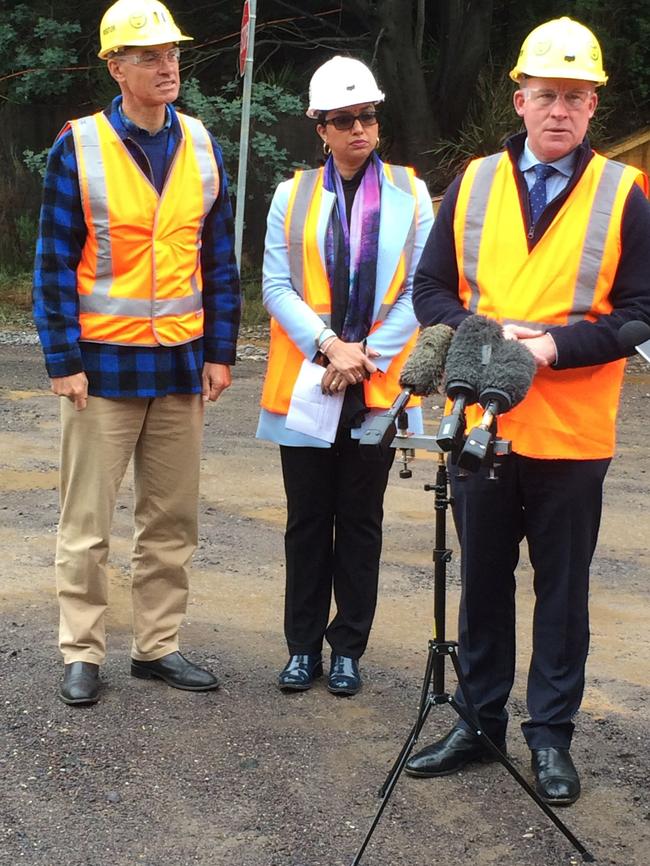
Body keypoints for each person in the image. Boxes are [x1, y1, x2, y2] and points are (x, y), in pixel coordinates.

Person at [405, 17, 650, 804]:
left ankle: (551, 738)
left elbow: (642, 312)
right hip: (485, 425)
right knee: (481, 582)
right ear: (520, 99)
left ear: (591, 109)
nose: (560, 110)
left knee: (563, 591)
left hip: (574, 431)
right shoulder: (472, 182)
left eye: (576, 98)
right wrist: (480, 335)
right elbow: (431, 289)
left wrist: (550, 349)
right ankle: (478, 723)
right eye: (547, 94)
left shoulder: (625, 193)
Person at [32, 0, 241, 706]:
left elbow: (218, 257)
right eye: (149, 56)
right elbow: (54, 261)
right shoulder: (81, 145)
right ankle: (82, 650)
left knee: (171, 519)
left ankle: (157, 647)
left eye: (173, 53)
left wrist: (221, 350)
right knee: (86, 522)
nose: (168, 66)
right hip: (103, 368)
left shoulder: (203, 144)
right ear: (115, 67)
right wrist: (63, 360)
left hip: (180, 364)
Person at [256, 56, 434, 696]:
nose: (359, 128)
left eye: (368, 116)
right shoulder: (290, 195)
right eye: (344, 120)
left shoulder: (412, 194)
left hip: (376, 384)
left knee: (361, 520)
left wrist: (367, 355)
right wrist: (332, 346)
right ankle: (302, 646)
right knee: (307, 519)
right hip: (310, 379)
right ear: (320, 128)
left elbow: (423, 287)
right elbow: (276, 285)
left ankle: (348, 647)